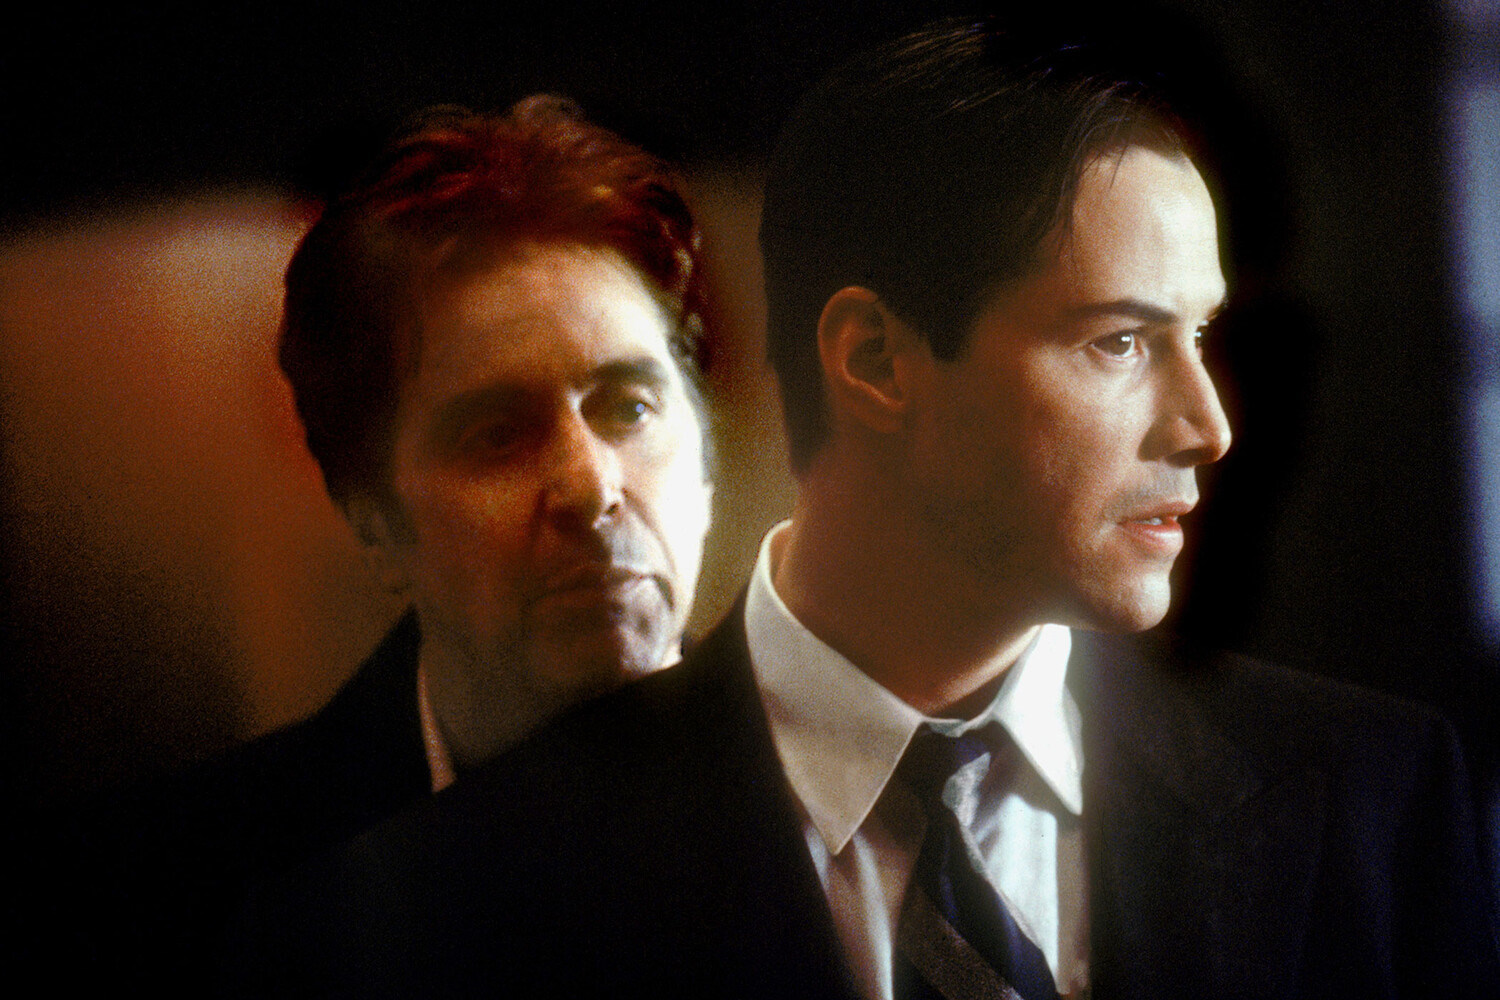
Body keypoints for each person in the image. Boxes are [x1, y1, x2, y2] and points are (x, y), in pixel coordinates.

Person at [224, 19, 1499, 1000]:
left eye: (1200, 336)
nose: (1207, 424)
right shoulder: (461, 884)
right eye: (1117, 341)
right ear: (877, 361)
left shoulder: (1377, 805)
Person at [45, 95, 714, 994]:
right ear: (372, 519)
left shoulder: (872, 814)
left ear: (705, 461)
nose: (592, 488)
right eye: (496, 435)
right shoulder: (151, 903)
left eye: (629, 407)